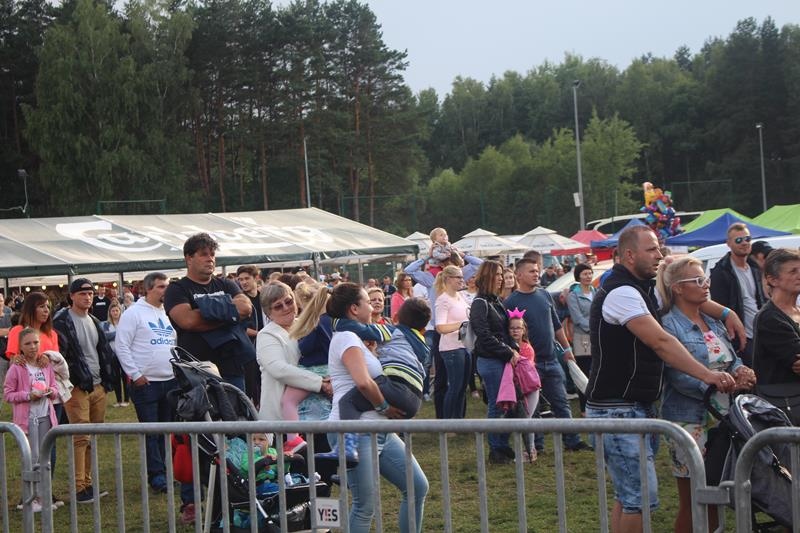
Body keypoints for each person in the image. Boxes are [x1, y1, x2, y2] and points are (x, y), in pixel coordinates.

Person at [586, 226, 736, 533]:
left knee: (629, 496)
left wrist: (725, 313)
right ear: (630, 255)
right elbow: (661, 342)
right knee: (639, 498)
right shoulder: (622, 292)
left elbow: (687, 294)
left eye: (659, 247)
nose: (660, 254)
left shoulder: (639, 288)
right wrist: (708, 375)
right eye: (652, 249)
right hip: (617, 409)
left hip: (631, 406)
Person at [657, 257, 755, 532]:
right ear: (678, 288)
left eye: (706, 279)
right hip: (690, 419)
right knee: (694, 499)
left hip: (725, 418)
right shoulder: (668, 325)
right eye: (698, 280)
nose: (706, 285)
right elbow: (678, 374)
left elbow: (728, 358)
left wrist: (741, 370)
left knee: (716, 494)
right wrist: (716, 383)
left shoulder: (712, 320)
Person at [324, 282, 428, 533]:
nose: (372, 307)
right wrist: (384, 407)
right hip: (357, 430)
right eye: (368, 302)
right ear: (354, 308)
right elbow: (363, 382)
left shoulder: (358, 338)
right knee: (364, 506)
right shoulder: (347, 336)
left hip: (378, 430)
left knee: (417, 487)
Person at [319, 297, 430, 464]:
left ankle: (347, 448)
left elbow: (363, 330)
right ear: (423, 328)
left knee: (347, 402)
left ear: (396, 317)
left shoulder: (394, 331)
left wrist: (333, 321)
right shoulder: (423, 345)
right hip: (414, 400)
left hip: (396, 386)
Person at [505, 259, 591, 452]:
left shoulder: (544, 294)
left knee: (561, 402)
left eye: (537, 271)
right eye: (531, 271)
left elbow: (556, 325)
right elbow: (509, 333)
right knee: (532, 407)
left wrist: (567, 349)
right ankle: (537, 445)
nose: (536, 274)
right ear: (519, 275)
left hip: (551, 360)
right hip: (528, 364)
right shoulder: (511, 302)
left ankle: (572, 441)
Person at [164, 232, 255, 391]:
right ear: (189, 258)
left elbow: (246, 308)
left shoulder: (226, 284)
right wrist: (230, 315)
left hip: (232, 367)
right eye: (204, 254)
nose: (210, 259)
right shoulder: (177, 289)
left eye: (212, 254)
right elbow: (188, 321)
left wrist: (204, 310)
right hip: (197, 370)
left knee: (237, 407)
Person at [53, 278, 115, 504]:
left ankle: (87, 483)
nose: (88, 297)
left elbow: (103, 352)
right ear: (71, 296)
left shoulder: (94, 320)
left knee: (91, 438)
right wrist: (74, 380)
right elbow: (61, 355)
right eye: (82, 293)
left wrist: (106, 382)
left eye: (90, 293)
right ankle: (79, 488)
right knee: (80, 438)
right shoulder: (62, 321)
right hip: (78, 387)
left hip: (98, 386)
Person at [114, 272, 178, 494]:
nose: (166, 290)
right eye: (161, 286)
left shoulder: (168, 313)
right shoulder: (133, 313)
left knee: (166, 431)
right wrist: (135, 374)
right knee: (151, 432)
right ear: (148, 289)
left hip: (169, 380)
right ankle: (157, 476)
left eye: (167, 286)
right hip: (146, 383)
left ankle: (166, 471)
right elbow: (121, 345)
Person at [256, 282, 332, 454]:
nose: (286, 308)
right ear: (268, 313)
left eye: (289, 301)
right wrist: (320, 383)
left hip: (319, 413)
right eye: (278, 306)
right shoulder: (267, 335)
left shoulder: (308, 324)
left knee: (324, 465)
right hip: (283, 421)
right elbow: (279, 369)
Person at [469, 260, 521, 463]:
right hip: (490, 361)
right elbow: (484, 335)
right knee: (497, 404)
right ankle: (496, 449)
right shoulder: (480, 303)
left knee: (507, 404)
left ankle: (502, 444)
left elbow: (503, 332)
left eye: (502, 274)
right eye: (497, 274)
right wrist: (508, 352)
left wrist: (513, 348)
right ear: (488, 276)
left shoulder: (496, 301)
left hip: (501, 358)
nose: (501, 278)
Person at [4, 328, 60, 512]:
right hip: (27, 420)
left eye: (35, 342)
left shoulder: (45, 364)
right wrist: (28, 395)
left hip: (45, 417)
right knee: (32, 458)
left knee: (45, 458)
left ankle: (44, 496)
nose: (32, 347)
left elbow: (55, 387)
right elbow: (8, 394)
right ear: (20, 346)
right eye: (27, 343)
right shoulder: (16, 368)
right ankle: (30, 498)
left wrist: (50, 392)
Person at [753, 248, 800, 425]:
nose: (799, 275)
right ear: (772, 279)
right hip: (785, 406)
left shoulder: (796, 311)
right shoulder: (770, 318)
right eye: (793, 271)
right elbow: (795, 359)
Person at [709, 223, 766, 366]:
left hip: (763, 334)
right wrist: (733, 339)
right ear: (728, 243)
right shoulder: (721, 271)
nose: (744, 243)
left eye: (747, 239)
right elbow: (720, 308)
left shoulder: (755, 268)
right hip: (742, 338)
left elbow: (761, 300)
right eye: (738, 240)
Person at [433, 265, 471, 419]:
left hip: (464, 345)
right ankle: (448, 423)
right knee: (455, 387)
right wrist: (462, 324)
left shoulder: (460, 296)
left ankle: (459, 421)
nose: (462, 280)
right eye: (458, 277)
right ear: (448, 279)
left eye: (462, 277)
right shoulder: (443, 300)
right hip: (451, 349)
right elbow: (440, 327)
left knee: (462, 388)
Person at [506, 311, 541, 462]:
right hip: (515, 388)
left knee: (527, 418)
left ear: (524, 330)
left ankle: (530, 451)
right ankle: (524, 450)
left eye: (518, 328)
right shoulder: (506, 347)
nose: (515, 331)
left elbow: (524, 367)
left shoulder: (527, 348)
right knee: (518, 420)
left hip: (529, 388)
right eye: (512, 328)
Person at [567, 263, 596, 415]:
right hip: (582, 338)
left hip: (596, 337)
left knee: (596, 370)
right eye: (585, 274)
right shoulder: (573, 295)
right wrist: (594, 327)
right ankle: (584, 408)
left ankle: (596, 403)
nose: (588, 276)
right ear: (578, 276)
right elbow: (577, 318)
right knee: (584, 372)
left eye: (590, 273)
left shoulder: (596, 291)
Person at [237, 265, 265, 405]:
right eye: (240, 279)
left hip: (265, 345)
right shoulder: (241, 301)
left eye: (247, 278)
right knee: (251, 385)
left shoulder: (264, 297)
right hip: (249, 349)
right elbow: (240, 327)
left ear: (256, 278)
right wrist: (261, 334)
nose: (243, 282)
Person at [101, 300, 129, 407]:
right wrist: (118, 333)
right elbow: (105, 337)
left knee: (125, 377)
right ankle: (118, 400)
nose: (115, 313)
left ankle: (126, 399)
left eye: (117, 310)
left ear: (120, 311)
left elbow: (127, 336)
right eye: (113, 311)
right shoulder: (106, 325)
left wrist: (116, 334)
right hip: (112, 354)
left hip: (124, 353)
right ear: (110, 312)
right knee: (116, 378)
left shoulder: (124, 323)